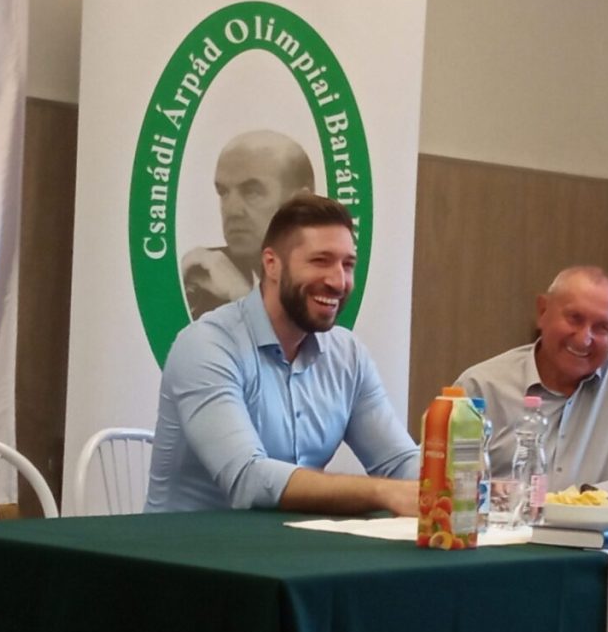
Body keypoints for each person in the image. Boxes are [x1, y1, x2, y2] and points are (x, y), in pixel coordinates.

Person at [146, 193, 419, 514]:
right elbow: (247, 479)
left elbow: (398, 461)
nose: (338, 281)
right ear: (271, 264)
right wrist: (384, 492)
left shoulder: (348, 354)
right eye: (320, 261)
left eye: (347, 265)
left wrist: (452, 483)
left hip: (295, 542)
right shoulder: (205, 345)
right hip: (188, 544)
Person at [455, 266, 608, 494]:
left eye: (602, 328)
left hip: (605, 532)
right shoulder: (481, 387)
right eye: (574, 319)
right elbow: (446, 483)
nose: (584, 339)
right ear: (542, 312)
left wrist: (589, 496)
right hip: (509, 529)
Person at [182, 129, 315, 319]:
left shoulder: (327, 280)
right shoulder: (202, 280)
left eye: (252, 192)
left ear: (300, 205)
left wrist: (241, 297)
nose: (232, 210)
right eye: (223, 192)